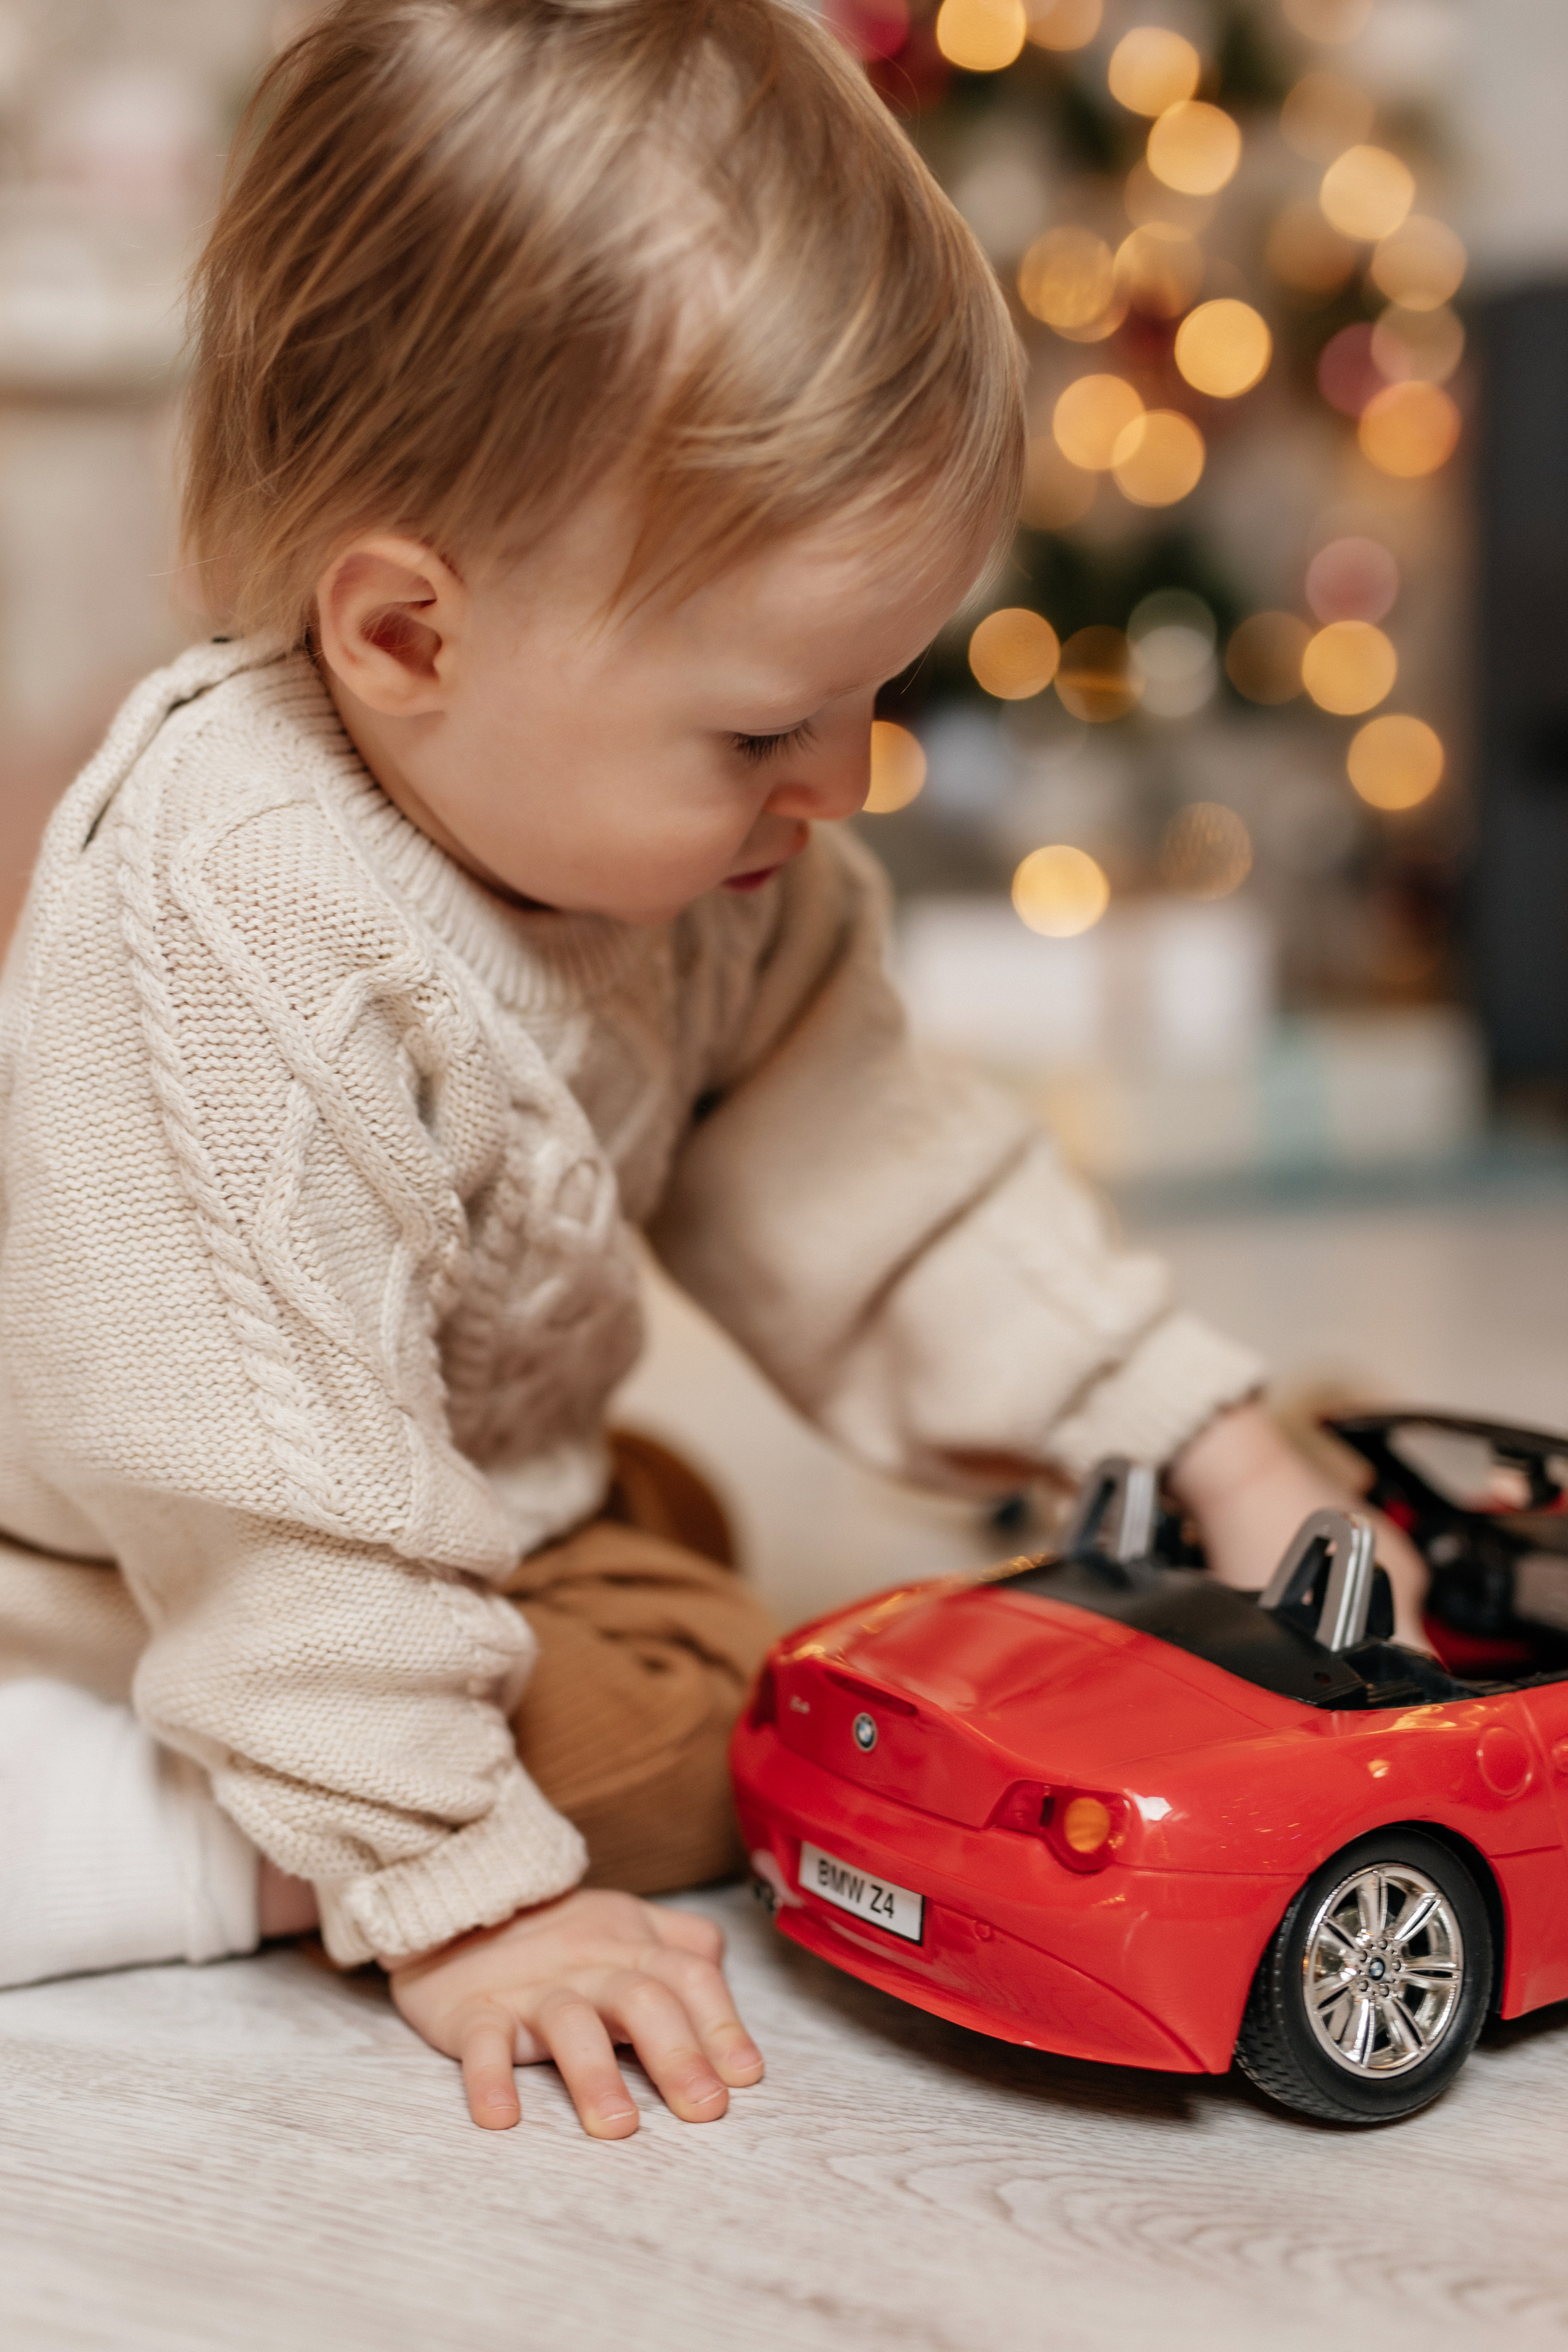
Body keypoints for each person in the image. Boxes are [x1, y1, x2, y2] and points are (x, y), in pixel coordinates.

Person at [0, 0, 1425, 2135]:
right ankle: (152, 1818)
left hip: (426, 1496)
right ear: (406, 634)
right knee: (697, 1739)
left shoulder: (719, 872)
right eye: (765, 727)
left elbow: (879, 1183)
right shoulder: (235, 921)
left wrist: (1201, 1432)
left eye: (871, 694)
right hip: (133, 1556)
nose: (840, 781)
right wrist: (468, 1897)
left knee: (685, 1537)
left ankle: (365, 1724)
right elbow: (262, 1482)